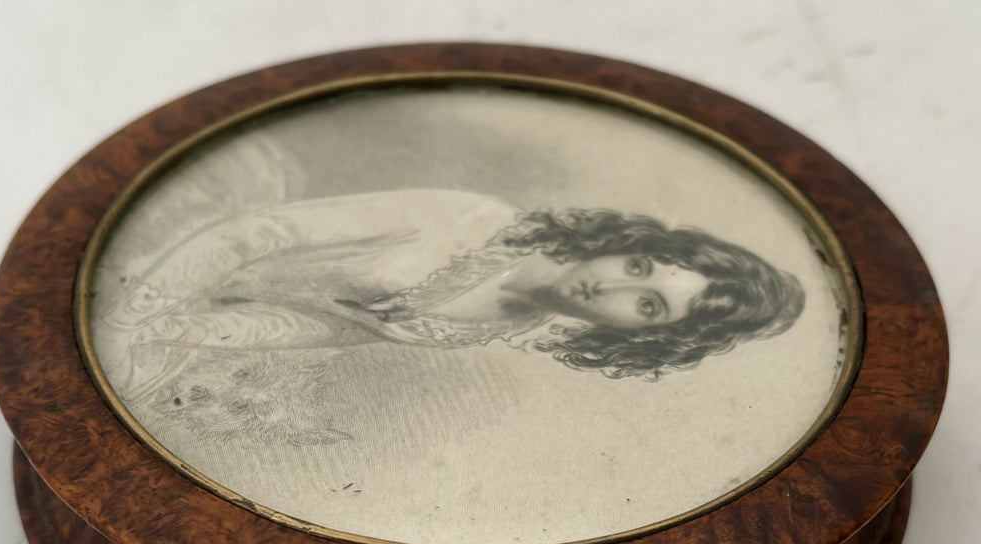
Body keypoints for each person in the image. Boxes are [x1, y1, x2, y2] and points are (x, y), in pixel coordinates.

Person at [92, 189, 804, 401]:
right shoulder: (470, 220)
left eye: (646, 306)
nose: (612, 283)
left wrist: (192, 334)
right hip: (166, 258)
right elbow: (256, 234)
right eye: (640, 264)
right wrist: (134, 319)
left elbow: (320, 327)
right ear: (624, 241)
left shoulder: (489, 329)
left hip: (192, 313)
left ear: (643, 338)